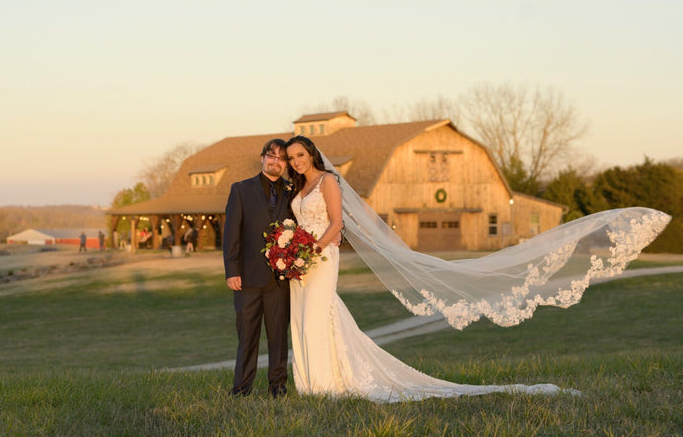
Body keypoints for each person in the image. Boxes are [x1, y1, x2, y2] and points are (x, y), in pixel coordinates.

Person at [284, 135, 670, 403]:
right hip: (301, 262)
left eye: (300, 155)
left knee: (319, 315)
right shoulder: (298, 190)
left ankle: (328, 384)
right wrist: (291, 253)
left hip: (318, 258)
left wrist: (308, 252)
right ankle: (311, 382)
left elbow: (337, 225)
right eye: (291, 158)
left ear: (312, 155)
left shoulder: (327, 182)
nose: (296, 162)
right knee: (301, 318)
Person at [223, 139, 294, 397]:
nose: (276, 162)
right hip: (247, 278)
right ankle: (241, 388)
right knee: (247, 336)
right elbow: (231, 232)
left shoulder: (292, 191)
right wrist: (232, 270)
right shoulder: (240, 189)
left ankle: (278, 386)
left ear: (286, 164)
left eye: (281, 158)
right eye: (271, 156)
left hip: (280, 279)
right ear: (262, 158)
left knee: (278, 337)